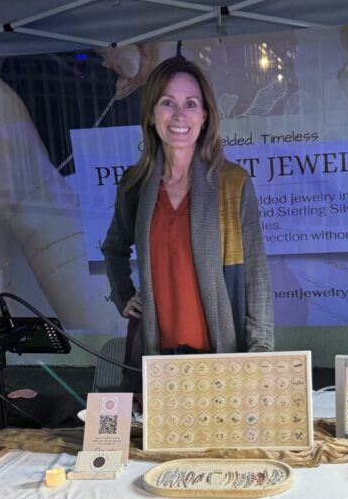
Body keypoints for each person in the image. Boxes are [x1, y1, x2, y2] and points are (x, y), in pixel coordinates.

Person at [101, 55, 274, 383]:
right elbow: (114, 248)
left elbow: (256, 275)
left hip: (220, 355)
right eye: (167, 102)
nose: (179, 115)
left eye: (191, 104)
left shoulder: (233, 183)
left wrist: (260, 352)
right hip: (155, 355)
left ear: (205, 116)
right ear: (152, 115)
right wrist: (123, 296)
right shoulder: (134, 186)